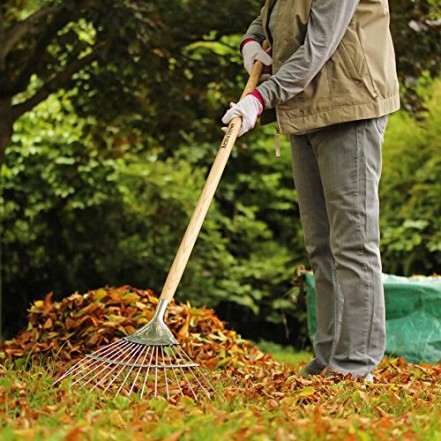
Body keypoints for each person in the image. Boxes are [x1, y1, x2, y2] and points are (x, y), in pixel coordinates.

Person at [222, 0, 400, 381]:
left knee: (352, 241)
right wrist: (252, 42)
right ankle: (328, 357)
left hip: (349, 106)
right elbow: (270, 16)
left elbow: (319, 46)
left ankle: (354, 365)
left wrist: (260, 98)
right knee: (320, 244)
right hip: (305, 109)